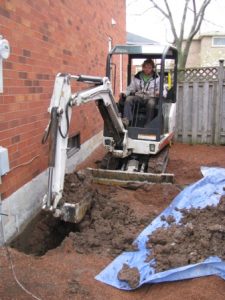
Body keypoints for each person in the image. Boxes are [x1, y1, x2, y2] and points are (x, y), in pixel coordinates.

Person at [122, 59, 160, 127]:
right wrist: (125, 93)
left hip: (150, 97)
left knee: (151, 104)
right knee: (128, 99)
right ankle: (126, 120)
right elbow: (131, 88)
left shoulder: (157, 78)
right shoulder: (137, 77)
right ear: (142, 67)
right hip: (139, 96)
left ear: (152, 68)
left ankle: (148, 124)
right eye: (145, 67)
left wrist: (159, 92)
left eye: (149, 68)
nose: (147, 69)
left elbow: (161, 89)